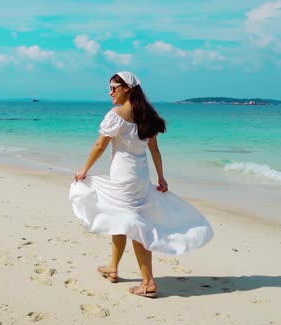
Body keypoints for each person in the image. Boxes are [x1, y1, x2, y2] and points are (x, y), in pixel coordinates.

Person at [69, 71, 213, 298]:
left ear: (127, 88)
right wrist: (162, 178)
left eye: (114, 88)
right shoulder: (146, 115)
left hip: (123, 178)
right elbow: (154, 150)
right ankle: (113, 267)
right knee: (121, 219)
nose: (110, 93)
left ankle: (148, 282)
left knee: (134, 225)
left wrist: (85, 170)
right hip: (140, 177)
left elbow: (100, 145)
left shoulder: (116, 115)